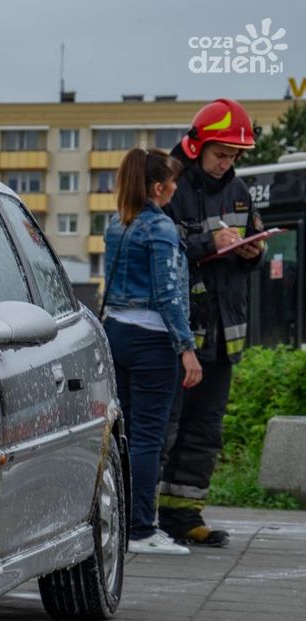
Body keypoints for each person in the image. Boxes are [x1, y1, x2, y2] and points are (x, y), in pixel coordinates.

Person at [158, 98, 264, 547]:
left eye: (234, 156)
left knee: (205, 428)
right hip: (180, 333)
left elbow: (254, 237)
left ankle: (184, 516)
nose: (227, 163)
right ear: (197, 144)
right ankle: (141, 515)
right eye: (221, 153)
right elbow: (159, 247)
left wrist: (252, 253)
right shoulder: (169, 185)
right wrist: (208, 241)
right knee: (166, 427)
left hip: (224, 333)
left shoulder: (239, 191)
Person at [102, 148, 202, 555]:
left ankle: (121, 522)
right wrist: (187, 348)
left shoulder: (115, 224)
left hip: (117, 333)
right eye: (172, 181)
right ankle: (142, 529)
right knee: (147, 437)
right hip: (151, 341)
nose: (177, 187)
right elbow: (168, 294)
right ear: (158, 187)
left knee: (123, 435)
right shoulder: (160, 230)